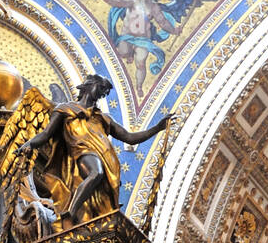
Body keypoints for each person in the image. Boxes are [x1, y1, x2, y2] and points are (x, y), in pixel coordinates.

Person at [15, 73, 174, 224]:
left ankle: (88, 217)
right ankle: (70, 211)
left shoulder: (103, 118)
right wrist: (27, 145)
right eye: (100, 88)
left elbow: (130, 138)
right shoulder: (65, 109)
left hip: (108, 159)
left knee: (102, 198)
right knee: (95, 173)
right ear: (87, 86)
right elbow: (46, 133)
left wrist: (157, 128)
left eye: (104, 92)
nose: (101, 94)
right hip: (82, 150)